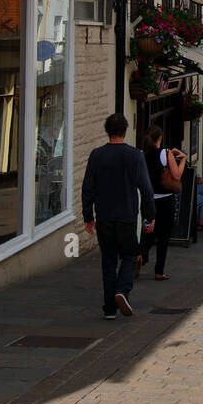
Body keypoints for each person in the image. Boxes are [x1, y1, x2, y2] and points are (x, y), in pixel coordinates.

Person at [82, 113, 155, 319]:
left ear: (108, 130)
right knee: (130, 256)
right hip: (127, 217)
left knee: (108, 260)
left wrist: (88, 216)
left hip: (104, 216)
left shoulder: (96, 155)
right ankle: (122, 290)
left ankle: (109, 309)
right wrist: (150, 217)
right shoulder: (135, 156)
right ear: (125, 130)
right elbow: (147, 190)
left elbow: (88, 188)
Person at [141, 126, 184, 281]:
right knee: (163, 236)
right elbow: (177, 176)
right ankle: (159, 271)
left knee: (148, 231)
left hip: (148, 200)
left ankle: (141, 255)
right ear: (160, 137)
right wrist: (183, 159)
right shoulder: (165, 153)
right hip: (165, 199)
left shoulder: (142, 154)